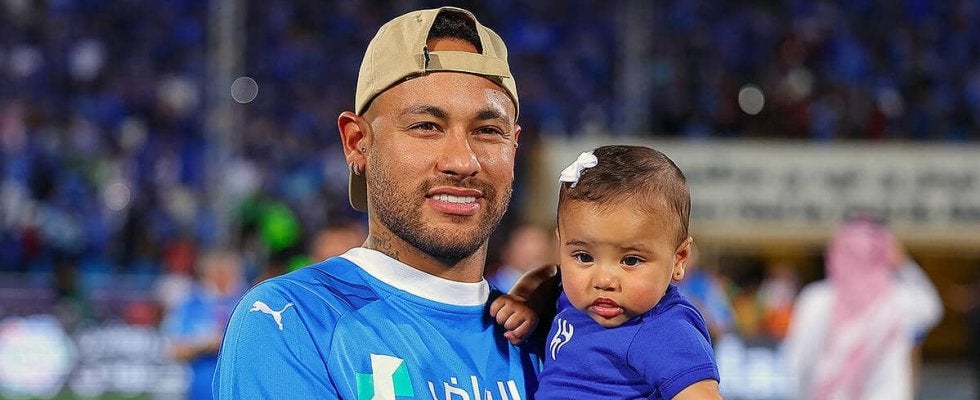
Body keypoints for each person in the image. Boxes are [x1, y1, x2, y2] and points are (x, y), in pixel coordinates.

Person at [213, 7, 541, 399]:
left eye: (488, 131)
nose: (462, 161)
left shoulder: (552, 337)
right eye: (426, 127)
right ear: (357, 142)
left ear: (514, 146)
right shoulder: (293, 319)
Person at [491, 145, 722, 400]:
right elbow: (551, 274)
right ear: (561, 245)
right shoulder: (573, 298)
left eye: (631, 260)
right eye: (584, 257)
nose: (603, 280)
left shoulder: (665, 329)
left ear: (679, 260)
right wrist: (525, 298)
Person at [782, 218, 943, 400]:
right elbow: (931, 307)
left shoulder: (895, 299)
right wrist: (904, 263)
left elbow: (798, 360)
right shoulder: (899, 299)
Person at [162, 249, 246, 400]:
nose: (223, 277)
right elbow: (174, 350)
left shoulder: (246, 301)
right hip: (201, 389)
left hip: (240, 389)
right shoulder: (191, 304)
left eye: (228, 272)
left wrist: (226, 343)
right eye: (218, 272)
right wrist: (204, 344)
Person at [487, 223, 554, 292]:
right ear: (507, 251)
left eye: (540, 255)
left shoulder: (549, 289)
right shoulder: (490, 290)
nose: (534, 255)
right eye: (527, 254)